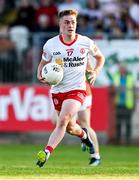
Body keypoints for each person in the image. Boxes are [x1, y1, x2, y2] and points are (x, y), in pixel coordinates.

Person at [36, 9, 105, 167]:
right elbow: (42, 64)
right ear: (60, 24)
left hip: (78, 89)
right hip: (58, 90)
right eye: (67, 22)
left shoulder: (85, 42)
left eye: (73, 22)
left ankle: (47, 152)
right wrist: (39, 74)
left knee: (63, 121)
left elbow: (100, 58)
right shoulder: (51, 45)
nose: (70, 25)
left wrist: (94, 71)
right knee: (69, 127)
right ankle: (83, 135)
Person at [78, 80, 101, 166]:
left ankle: (96, 157)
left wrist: (94, 72)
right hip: (66, 90)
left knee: (85, 124)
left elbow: (90, 69)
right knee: (58, 120)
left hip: (82, 90)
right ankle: (83, 136)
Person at [112, 63, 135, 144]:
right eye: (121, 68)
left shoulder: (130, 77)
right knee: (118, 123)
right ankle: (118, 140)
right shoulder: (116, 76)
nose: (122, 69)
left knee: (128, 123)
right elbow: (114, 88)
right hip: (119, 103)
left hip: (128, 104)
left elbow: (134, 89)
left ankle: (128, 140)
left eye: (123, 68)